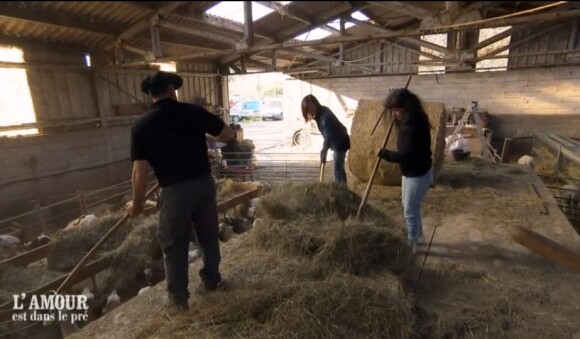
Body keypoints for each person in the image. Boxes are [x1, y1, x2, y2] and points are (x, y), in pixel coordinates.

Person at [126, 71, 235, 311]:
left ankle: (179, 301)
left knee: (175, 245)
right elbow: (228, 135)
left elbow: (140, 172)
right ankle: (213, 281)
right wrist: (203, 140)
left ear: (151, 95)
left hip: (174, 192)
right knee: (208, 237)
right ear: (172, 90)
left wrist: (136, 204)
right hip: (204, 184)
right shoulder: (193, 112)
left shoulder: (141, 125)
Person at [377, 88, 433, 251]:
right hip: (410, 172)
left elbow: (406, 155)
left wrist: (385, 154)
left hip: (418, 173)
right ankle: (419, 236)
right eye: (392, 110)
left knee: (409, 209)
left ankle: (412, 242)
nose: (394, 114)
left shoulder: (414, 126)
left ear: (407, 107)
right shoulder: (407, 122)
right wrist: (396, 121)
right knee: (409, 205)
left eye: (396, 110)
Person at [301, 95, 351, 184]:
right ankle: (343, 188)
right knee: (339, 167)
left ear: (315, 104)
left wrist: (324, 151)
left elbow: (328, 137)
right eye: (308, 110)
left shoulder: (325, 117)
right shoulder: (321, 111)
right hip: (339, 140)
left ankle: (341, 192)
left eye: (310, 107)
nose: (310, 111)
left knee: (337, 169)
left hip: (340, 142)